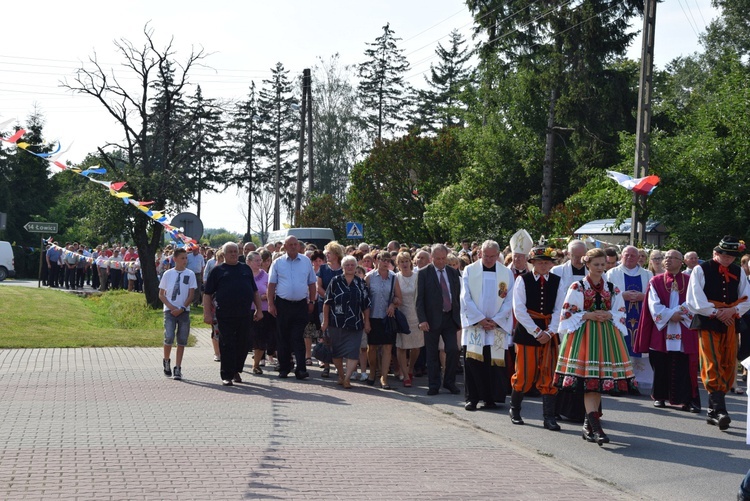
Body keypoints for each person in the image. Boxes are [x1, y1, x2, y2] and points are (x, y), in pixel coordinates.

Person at [554, 248, 636, 446]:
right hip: (584, 337)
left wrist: (609, 315)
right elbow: (566, 313)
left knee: (597, 382)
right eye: (596, 264)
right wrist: (587, 315)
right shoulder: (578, 286)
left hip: (607, 337)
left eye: (603, 264)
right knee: (590, 382)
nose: (600, 268)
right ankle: (596, 428)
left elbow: (620, 311)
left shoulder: (611, 287)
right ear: (587, 264)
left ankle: (588, 425)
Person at [686, 236, 750, 430]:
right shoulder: (701, 269)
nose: (728, 259)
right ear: (716, 253)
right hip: (708, 321)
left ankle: (712, 411)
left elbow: (747, 297)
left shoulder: (738, 271)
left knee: (728, 362)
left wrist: (733, 311)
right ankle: (721, 410)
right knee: (711, 361)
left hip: (731, 320)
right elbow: (694, 298)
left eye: (731, 256)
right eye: (725, 255)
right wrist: (716, 312)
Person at [634, 249, 701, 412]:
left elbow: (694, 301)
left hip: (684, 327)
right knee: (661, 364)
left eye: (673, 258)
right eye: (666, 258)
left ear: (681, 262)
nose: (668, 260)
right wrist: (671, 315)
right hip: (662, 328)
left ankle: (687, 399)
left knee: (685, 366)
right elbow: (653, 304)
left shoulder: (690, 280)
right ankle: (659, 396)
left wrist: (680, 314)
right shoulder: (655, 281)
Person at [511, 245, 566, 430]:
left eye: (547, 262)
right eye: (540, 262)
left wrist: (550, 332)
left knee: (549, 374)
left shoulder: (558, 281)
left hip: (549, 330)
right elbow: (519, 309)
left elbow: (560, 309)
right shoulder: (523, 280)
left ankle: (549, 417)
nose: (544, 265)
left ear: (551, 264)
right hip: (528, 332)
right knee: (525, 374)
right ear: (532, 263)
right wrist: (536, 332)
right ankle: (515, 409)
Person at [460, 240, 514, 411]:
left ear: (498, 255)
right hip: (476, 325)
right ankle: (472, 398)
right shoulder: (470, 270)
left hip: (496, 327)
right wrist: (479, 319)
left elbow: (509, 299)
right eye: (486, 255)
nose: (489, 259)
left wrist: (496, 320)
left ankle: (492, 398)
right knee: (473, 363)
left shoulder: (506, 273)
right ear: (479, 253)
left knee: (494, 364)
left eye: (492, 256)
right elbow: (465, 297)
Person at [203, 242, 263, 386]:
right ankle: (227, 375)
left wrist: (259, 309)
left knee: (243, 343)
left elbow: (254, 291)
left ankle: (237, 370)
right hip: (225, 314)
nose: (233, 254)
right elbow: (207, 294)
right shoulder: (218, 271)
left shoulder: (245, 269)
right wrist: (207, 314)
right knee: (227, 343)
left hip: (244, 313)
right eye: (230, 251)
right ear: (224, 254)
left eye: (236, 251)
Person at [267, 235, 317, 380]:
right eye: (290, 244)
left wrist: (312, 301)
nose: (294, 247)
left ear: (299, 246)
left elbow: (312, 283)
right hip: (283, 304)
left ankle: (301, 369)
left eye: (296, 244)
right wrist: (271, 304)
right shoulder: (278, 263)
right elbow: (271, 285)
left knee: (298, 337)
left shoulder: (306, 261)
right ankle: (284, 368)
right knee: (283, 337)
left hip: (301, 304)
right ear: (285, 246)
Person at [416, 244, 462, 395]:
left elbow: (457, 296)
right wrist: (422, 320)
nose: (441, 261)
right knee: (431, 353)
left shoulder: (452, 272)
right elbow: (419, 299)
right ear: (432, 258)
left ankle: (449, 382)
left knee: (453, 349)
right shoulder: (424, 273)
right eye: (438, 259)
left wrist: (459, 317)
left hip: (450, 318)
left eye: (444, 258)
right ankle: (433, 384)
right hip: (431, 319)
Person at [607, 245, 653, 391]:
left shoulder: (647, 274)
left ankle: (636, 383)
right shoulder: (611, 273)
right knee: (619, 348)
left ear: (639, 257)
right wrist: (622, 295)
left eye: (633, 255)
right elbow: (606, 294)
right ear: (621, 256)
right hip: (620, 318)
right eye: (626, 254)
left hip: (641, 318)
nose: (629, 257)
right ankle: (618, 382)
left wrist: (643, 297)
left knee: (639, 349)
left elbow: (654, 296)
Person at [321, 255, 371, 389]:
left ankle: (347, 378)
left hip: (355, 323)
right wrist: (325, 321)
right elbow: (327, 303)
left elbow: (366, 305)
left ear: (356, 267)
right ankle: (341, 375)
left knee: (353, 351)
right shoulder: (335, 281)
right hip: (336, 322)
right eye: (347, 265)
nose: (350, 267)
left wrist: (367, 322)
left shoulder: (360, 283)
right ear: (342, 267)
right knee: (336, 352)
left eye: (352, 265)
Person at [158, 248, 196, 381]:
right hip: (170, 311)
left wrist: (181, 307)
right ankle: (166, 360)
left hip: (183, 311)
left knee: (182, 340)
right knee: (169, 337)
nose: (185, 261)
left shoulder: (190, 274)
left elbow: (191, 294)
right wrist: (171, 307)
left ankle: (178, 367)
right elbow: (161, 294)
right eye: (182, 258)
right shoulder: (168, 274)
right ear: (175, 259)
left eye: (186, 258)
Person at [365, 252, 401, 389]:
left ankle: (384, 377)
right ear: (377, 260)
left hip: (387, 318)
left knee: (387, 347)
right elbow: (365, 301)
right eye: (383, 260)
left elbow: (399, 298)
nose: (385, 262)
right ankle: (373, 372)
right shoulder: (369, 277)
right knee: (372, 347)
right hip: (372, 316)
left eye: (388, 260)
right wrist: (366, 320)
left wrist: (393, 304)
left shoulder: (393, 277)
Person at [394, 251, 424, 388]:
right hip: (402, 316)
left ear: (410, 262)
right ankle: (405, 375)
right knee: (401, 346)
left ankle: (410, 368)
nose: (404, 264)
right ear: (398, 264)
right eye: (402, 261)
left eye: (406, 261)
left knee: (416, 347)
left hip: (417, 316)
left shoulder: (418, 277)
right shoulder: (395, 278)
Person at [247, 251, 276, 375]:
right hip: (247, 310)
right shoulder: (244, 275)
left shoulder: (266, 276)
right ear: (248, 262)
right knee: (246, 338)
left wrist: (264, 297)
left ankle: (256, 364)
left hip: (262, 311)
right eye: (256, 260)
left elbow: (271, 291)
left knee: (260, 338)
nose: (259, 263)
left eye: (260, 260)